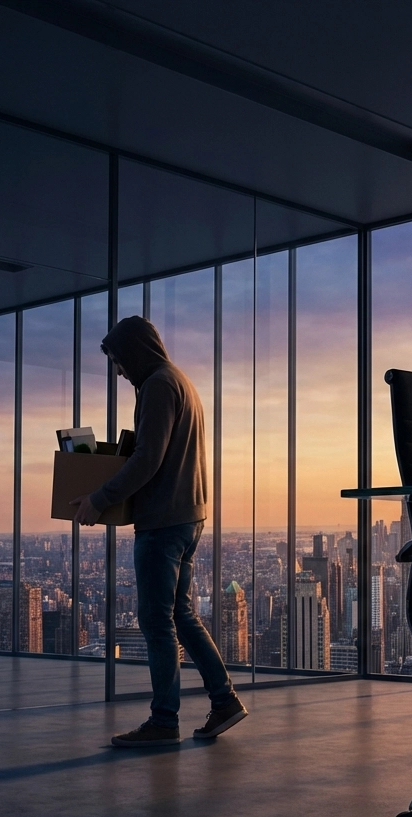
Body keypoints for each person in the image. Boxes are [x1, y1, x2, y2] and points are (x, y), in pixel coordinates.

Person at [72, 316, 248, 747]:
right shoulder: (180, 381)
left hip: (164, 521)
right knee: (182, 616)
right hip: (189, 515)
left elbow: (149, 459)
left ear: (133, 352)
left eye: (117, 361)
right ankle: (224, 700)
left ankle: (163, 721)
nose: (118, 371)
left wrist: (100, 497)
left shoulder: (157, 386)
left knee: (156, 621)